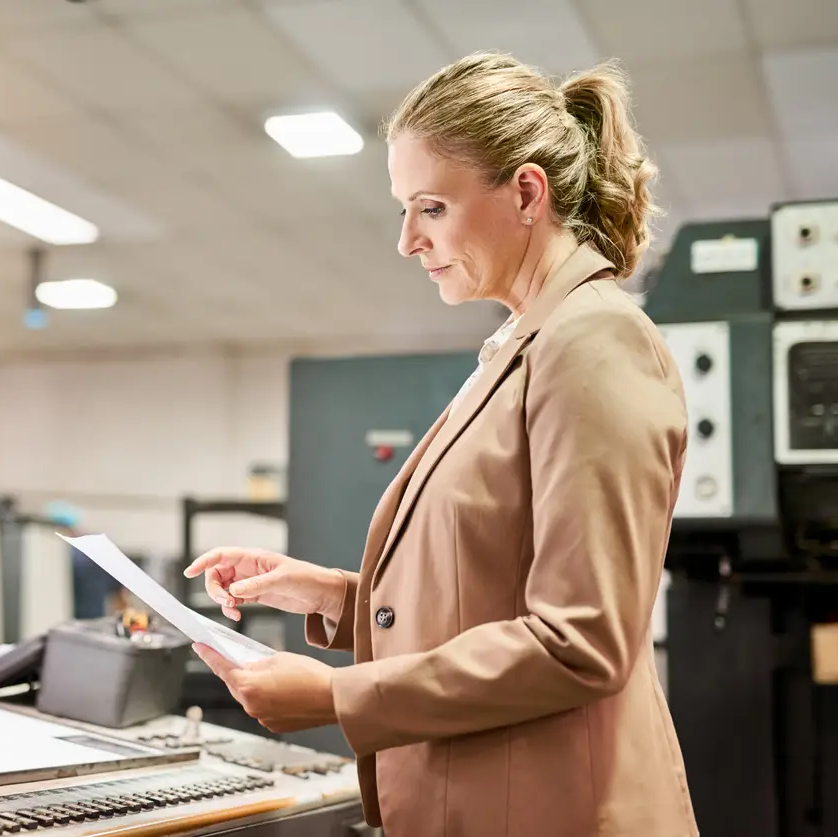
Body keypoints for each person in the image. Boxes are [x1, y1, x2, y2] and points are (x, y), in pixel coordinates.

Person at [185, 52, 697, 836]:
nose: (407, 241)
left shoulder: (592, 342)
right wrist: (330, 593)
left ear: (527, 193)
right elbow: (481, 598)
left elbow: (579, 639)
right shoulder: (522, 344)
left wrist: (334, 697)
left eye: (429, 207)